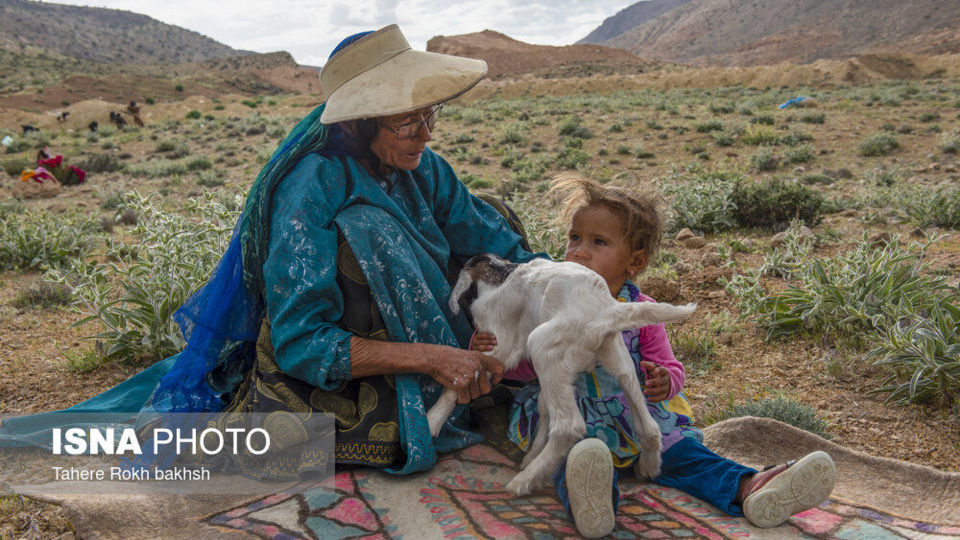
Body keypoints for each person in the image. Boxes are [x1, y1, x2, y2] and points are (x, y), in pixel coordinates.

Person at [0, 24, 540, 477]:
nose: (424, 134)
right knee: (367, 230)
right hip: (360, 374)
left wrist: (556, 291)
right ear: (358, 121)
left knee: (497, 213)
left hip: (452, 342)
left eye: (430, 116)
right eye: (405, 120)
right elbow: (302, 342)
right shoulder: (314, 185)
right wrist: (432, 357)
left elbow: (498, 244)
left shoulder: (427, 168)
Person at [471, 174, 836, 537]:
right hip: (576, 418)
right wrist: (493, 356)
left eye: (598, 242)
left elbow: (672, 368)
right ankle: (593, 502)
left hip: (639, 420)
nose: (579, 251)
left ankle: (751, 488)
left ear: (635, 261)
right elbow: (523, 368)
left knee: (688, 458)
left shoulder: (641, 311)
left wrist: (663, 379)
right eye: (574, 238)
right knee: (575, 455)